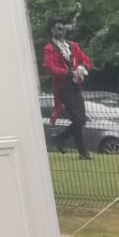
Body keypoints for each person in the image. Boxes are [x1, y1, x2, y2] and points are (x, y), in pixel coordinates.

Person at [42, 20, 92, 159]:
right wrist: (70, 73)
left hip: (76, 85)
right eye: (58, 29)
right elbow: (51, 68)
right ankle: (63, 140)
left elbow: (86, 60)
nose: (62, 32)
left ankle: (78, 150)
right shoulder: (49, 48)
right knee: (78, 119)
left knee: (81, 119)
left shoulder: (72, 45)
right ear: (51, 30)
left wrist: (82, 68)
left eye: (63, 29)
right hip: (63, 87)